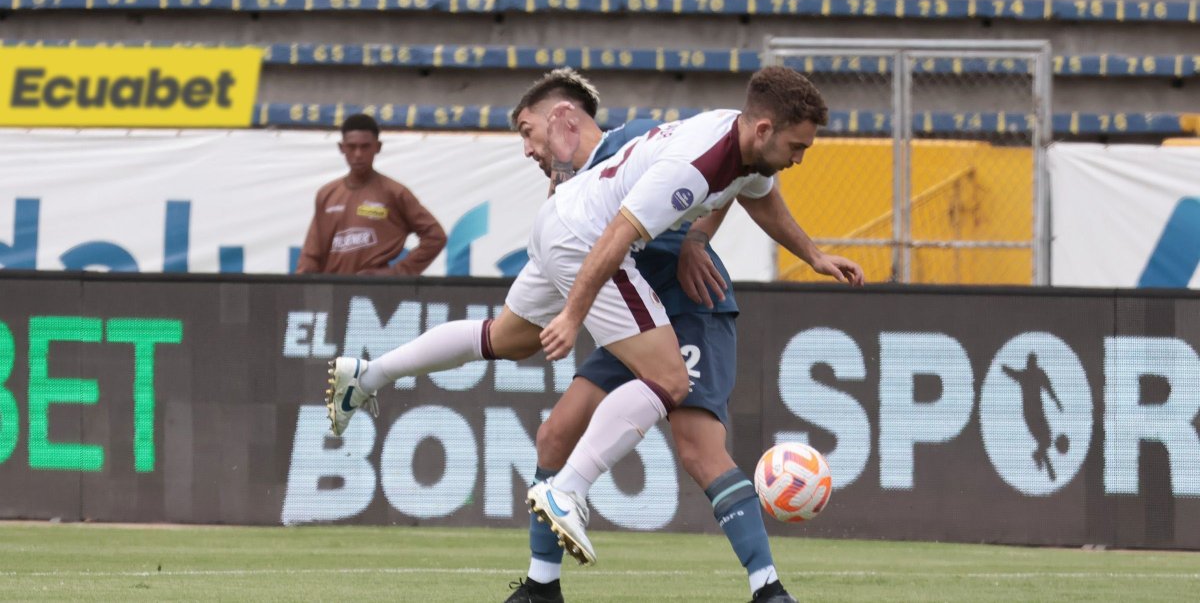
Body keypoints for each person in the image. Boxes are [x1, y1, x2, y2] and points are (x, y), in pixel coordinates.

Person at [323, 66, 863, 597]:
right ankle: (569, 495)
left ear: (567, 123)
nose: (800, 157)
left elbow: (753, 188)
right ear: (765, 129)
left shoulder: (713, 142)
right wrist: (575, 315)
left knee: (518, 357)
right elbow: (614, 238)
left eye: (528, 135)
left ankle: (371, 374)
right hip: (604, 265)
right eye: (799, 146)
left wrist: (808, 253)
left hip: (638, 280)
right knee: (669, 382)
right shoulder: (686, 162)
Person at [504, 68, 796, 603]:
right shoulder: (577, 183)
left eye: (531, 134)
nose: (534, 151)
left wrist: (696, 239)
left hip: (686, 306)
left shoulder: (641, 139)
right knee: (554, 434)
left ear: (565, 120)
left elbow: (735, 180)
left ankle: (769, 589)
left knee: (699, 448)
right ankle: (540, 588)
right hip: (634, 305)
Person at [295, 113, 446, 275]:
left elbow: (435, 237)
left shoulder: (394, 192)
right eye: (352, 147)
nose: (358, 154)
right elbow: (312, 253)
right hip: (334, 291)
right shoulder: (327, 194)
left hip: (374, 294)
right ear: (342, 148)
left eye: (365, 146)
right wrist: (302, 289)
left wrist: (396, 273)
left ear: (378, 147)